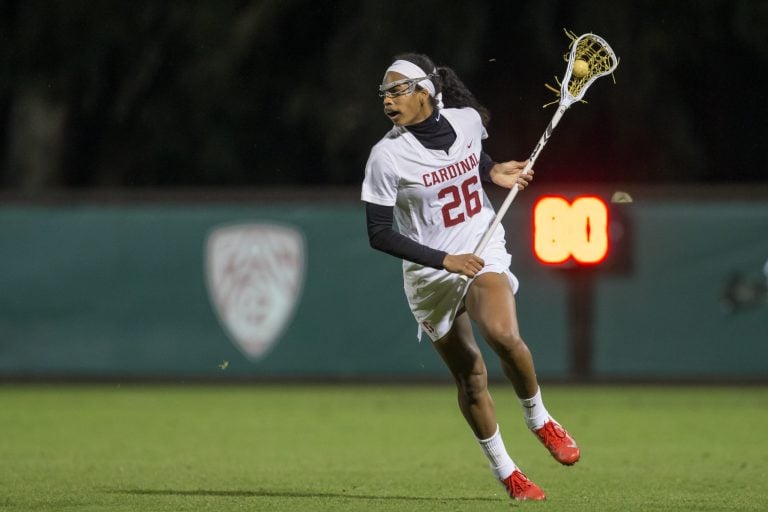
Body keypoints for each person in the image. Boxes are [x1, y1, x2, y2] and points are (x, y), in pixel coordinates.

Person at [361, 53, 579, 501]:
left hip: (481, 246)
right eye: (383, 92)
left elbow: (473, 159)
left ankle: (539, 418)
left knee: (502, 334)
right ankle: (508, 473)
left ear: (426, 91)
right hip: (429, 273)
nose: (387, 99)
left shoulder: (466, 120)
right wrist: (445, 260)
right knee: (472, 378)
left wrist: (493, 172)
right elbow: (379, 234)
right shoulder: (386, 156)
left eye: (397, 90)